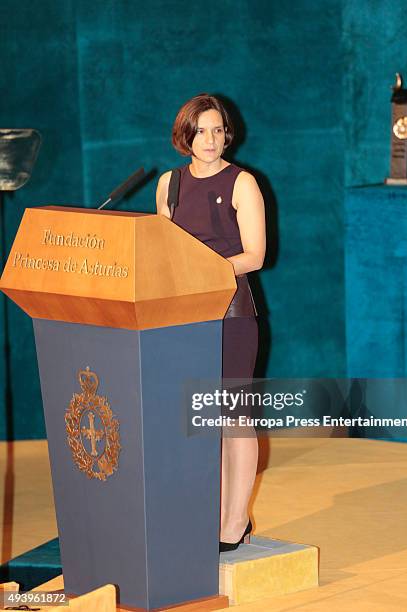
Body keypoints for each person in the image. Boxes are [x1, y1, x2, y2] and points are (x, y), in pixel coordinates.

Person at [156, 93, 266, 552]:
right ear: (186, 133)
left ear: (228, 134)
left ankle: (236, 520)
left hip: (232, 313)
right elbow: (162, 249)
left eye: (218, 129)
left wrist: (205, 271)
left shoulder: (243, 183)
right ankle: (211, 509)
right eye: (201, 130)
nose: (210, 139)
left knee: (235, 419)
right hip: (184, 314)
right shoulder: (169, 183)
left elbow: (255, 256)